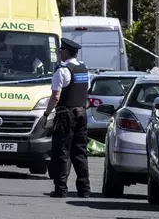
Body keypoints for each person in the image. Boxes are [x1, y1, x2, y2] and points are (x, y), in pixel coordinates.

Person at [42, 38, 90, 198]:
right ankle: (84, 189)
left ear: (66, 52)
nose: (59, 53)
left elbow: (56, 96)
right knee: (80, 151)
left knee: (61, 151)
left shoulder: (62, 70)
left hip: (66, 115)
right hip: (82, 113)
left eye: (60, 50)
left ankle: (61, 188)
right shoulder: (83, 69)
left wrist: (46, 114)